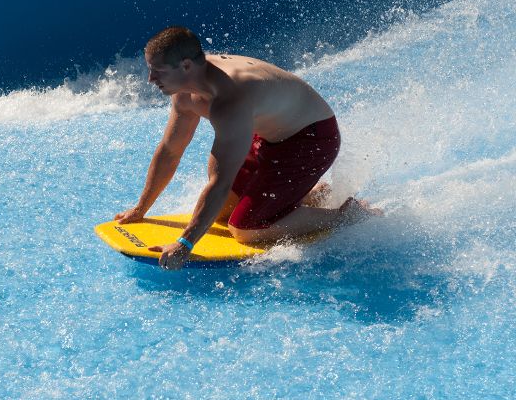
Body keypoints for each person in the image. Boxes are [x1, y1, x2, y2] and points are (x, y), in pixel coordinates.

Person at [115, 26, 379, 270]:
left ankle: (346, 214)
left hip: (310, 139)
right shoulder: (186, 87)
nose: (150, 79)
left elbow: (220, 182)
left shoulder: (230, 99)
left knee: (246, 229)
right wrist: (140, 209)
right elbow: (171, 150)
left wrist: (184, 244)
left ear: (185, 65)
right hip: (268, 133)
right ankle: (311, 193)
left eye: (157, 72)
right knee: (220, 213)